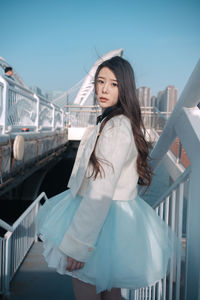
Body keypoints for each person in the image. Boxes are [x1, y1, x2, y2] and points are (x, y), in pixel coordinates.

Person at [36, 56, 182, 300]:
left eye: (114, 84)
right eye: (100, 81)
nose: (104, 89)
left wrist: (78, 246)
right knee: (110, 291)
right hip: (113, 224)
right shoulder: (117, 123)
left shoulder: (115, 129)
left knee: (88, 288)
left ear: (124, 88)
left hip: (97, 221)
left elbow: (100, 190)